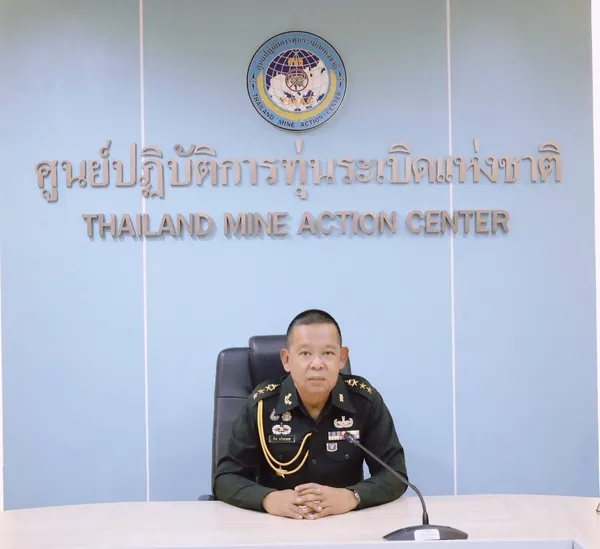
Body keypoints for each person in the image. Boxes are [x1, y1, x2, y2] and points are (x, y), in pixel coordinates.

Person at [212, 309, 409, 519]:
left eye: (328, 353)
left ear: (342, 358)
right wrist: (267, 499)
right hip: (277, 523)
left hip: (344, 521)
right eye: (305, 354)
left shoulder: (363, 401)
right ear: (287, 360)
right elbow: (226, 478)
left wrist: (353, 497)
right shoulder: (262, 406)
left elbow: (395, 475)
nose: (317, 364)